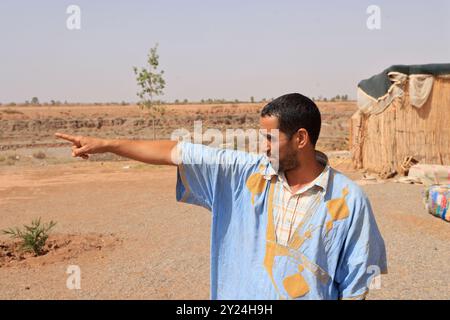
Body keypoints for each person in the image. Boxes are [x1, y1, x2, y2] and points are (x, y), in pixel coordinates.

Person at [55, 93, 387, 300]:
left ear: (301, 138)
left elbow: (356, 284)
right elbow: (177, 151)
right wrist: (108, 145)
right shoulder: (244, 175)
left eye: (270, 139)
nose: (263, 147)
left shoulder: (348, 200)